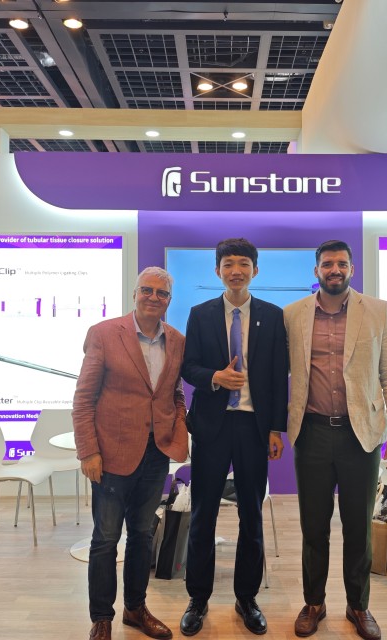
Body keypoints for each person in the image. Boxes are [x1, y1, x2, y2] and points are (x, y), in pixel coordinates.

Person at [283, 240, 387, 640]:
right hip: (312, 433)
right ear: (316, 271)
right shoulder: (293, 314)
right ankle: (314, 603)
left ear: (351, 269)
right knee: (313, 527)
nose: (334, 269)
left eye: (341, 263)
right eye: (327, 264)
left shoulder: (378, 311)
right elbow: (276, 372)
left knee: (358, 527)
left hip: (362, 436)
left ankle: (358, 605)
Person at [179, 238, 288, 637]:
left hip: (254, 428)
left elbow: (278, 376)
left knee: (251, 516)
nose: (236, 270)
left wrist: (275, 428)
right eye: (228, 264)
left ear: (255, 270)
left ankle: (247, 598)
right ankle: (198, 598)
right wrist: (215, 377)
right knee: (203, 514)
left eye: (244, 263)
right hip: (212, 427)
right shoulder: (200, 314)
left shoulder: (272, 316)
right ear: (218, 271)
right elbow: (188, 367)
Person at [73, 267, 189, 640]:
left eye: (162, 293)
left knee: (141, 535)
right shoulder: (105, 333)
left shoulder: (177, 340)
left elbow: (174, 392)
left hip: (155, 454)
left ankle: (135, 609)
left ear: (169, 300)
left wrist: (178, 426)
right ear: (135, 293)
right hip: (110, 455)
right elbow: (84, 398)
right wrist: (88, 452)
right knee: (106, 539)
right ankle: (101, 618)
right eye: (147, 290)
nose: (154, 297)